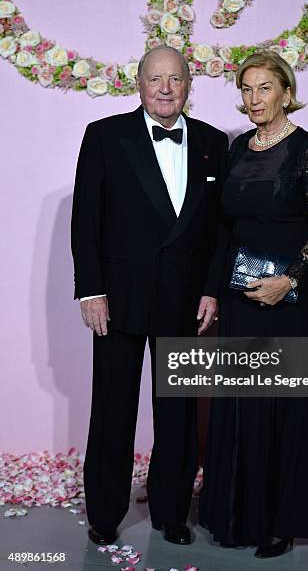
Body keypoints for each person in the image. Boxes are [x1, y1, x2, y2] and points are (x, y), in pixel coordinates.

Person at [71, 45, 228, 547]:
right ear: (138, 84)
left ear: (188, 85)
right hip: (117, 300)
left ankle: (172, 512)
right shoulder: (104, 136)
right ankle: (104, 512)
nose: (165, 88)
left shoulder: (211, 142)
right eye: (155, 79)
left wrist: (211, 290)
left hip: (185, 301)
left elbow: (220, 229)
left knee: (178, 414)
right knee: (113, 409)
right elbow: (85, 221)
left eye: (175, 79)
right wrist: (91, 290)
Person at [199, 51, 308, 558]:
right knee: (241, 404)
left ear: (285, 91)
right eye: (246, 90)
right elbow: (224, 228)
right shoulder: (237, 150)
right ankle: (235, 513)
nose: (253, 99)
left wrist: (290, 278)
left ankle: (279, 521)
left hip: (290, 298)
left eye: (263, 89)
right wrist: (214, 289)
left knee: (284, 406)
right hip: (241, 296)